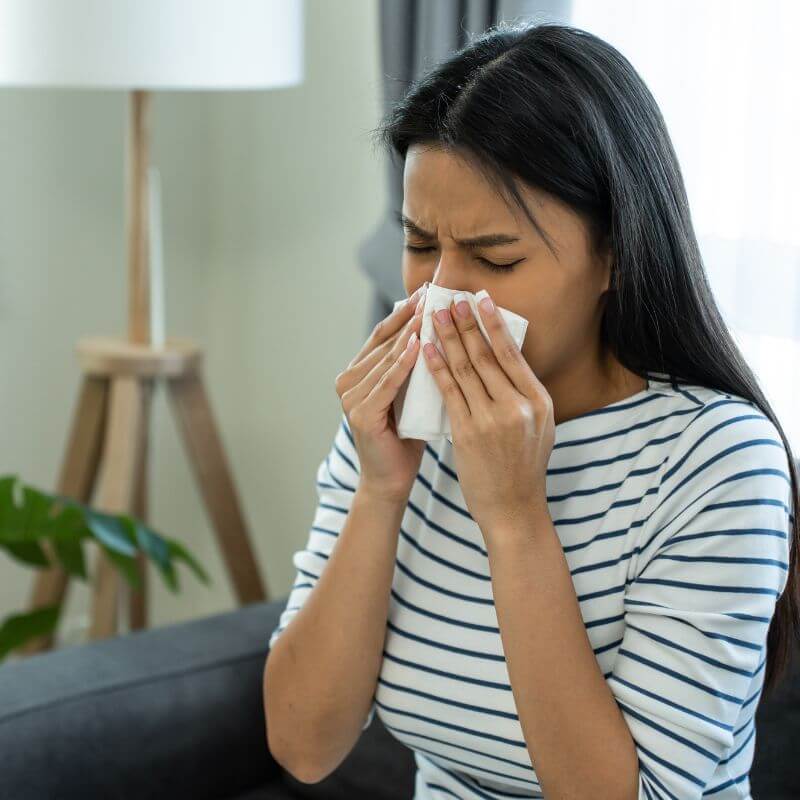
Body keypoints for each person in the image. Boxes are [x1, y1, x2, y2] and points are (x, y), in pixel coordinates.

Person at [264, 21, 798, 800]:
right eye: (419, 245)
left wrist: (515, 517)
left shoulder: (716, 459)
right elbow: (303, 746)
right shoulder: (395, 423)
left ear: (615, 250)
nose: (440, 296)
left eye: (495, 257)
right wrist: (380, 490)